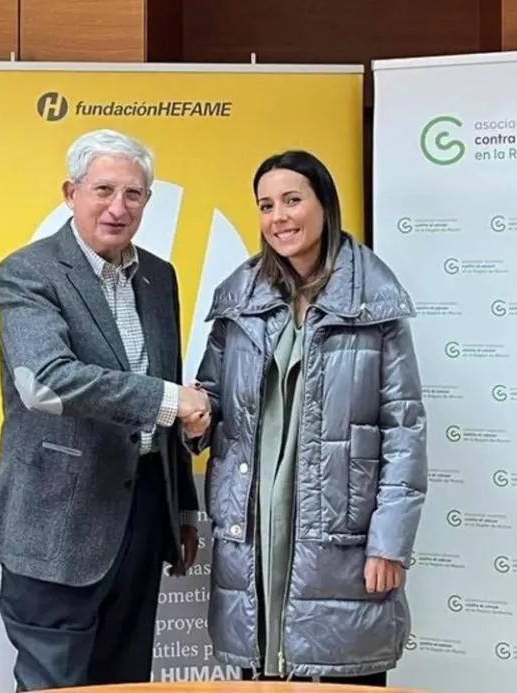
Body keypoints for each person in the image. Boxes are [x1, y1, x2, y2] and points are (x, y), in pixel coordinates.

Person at [0, 129, 209, 691]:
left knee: (125, 683)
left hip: (142, 514)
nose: (118, 207)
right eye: (103, 189)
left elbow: (167, 380)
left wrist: (181, 507)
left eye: (134, 194)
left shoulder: (159, 276)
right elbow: (45, 382)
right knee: (54, 686)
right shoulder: (28, 271)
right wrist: (170, 400)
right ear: (70, 193)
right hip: (56, 520)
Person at [184, 150, 427, 684]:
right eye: (266, 205)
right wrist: (198, 420)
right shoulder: (239, 298)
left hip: (338, 535)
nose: (278, 218)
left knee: (343, 676)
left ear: (325, 205)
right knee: (263, 671)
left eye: (292, 200)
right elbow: (212, 396)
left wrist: (390, 542)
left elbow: (404, 430)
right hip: (255, 528)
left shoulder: (373, 302)